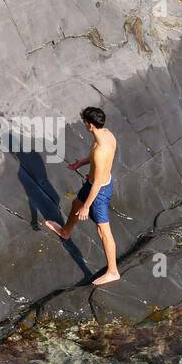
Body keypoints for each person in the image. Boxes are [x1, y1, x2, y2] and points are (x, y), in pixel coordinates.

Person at [44, 106, 120, 285]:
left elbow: (99, 180)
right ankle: (65, 232)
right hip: (94, 183)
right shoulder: (107, 134)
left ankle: (113, 271)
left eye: (85, 122)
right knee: (76, 204)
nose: (84, 125)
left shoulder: (101, 150)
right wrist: (82, 162)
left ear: (90, 125)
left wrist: (88, 206)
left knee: (103, 231)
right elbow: (97, 161)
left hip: (99, 191)